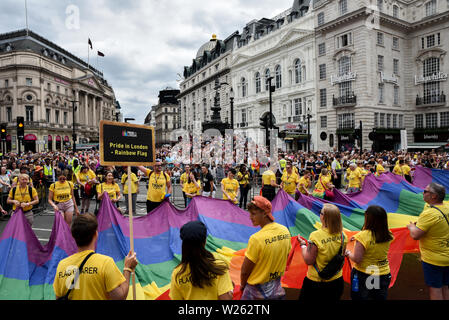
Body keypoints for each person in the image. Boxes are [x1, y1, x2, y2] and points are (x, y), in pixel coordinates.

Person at [53, 214, 138, 300]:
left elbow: (58, 297)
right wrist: (127, 269)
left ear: (73, 236)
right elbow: (119, 296)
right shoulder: (105, 263)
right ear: (96, 234)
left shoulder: (62, 265)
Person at [240, 196, 291, 300]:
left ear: (264, 213)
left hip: (255, 292)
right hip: (276, 288)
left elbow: (245, 271)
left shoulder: (256, 239)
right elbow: (286, 256)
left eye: (253, 214)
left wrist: (242, 285)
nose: (250, 217)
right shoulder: (285, 230)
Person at [169, 221, 233, 300]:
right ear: (204, 241)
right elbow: (225, 299)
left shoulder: (178, 273)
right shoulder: (219, 267)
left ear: (184, 243)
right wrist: (230, 289)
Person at [407, 183, 449, 300]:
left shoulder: (429, 214)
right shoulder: (447, 208)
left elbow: (415, 235)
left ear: (434, 196)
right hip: (446, 256)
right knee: (445, 287)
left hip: (434, 259)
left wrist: (411, 227)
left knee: (435, 288)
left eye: (426, 191)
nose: (423, 193)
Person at [298, 203, 347, 301]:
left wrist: (303, 245)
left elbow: (309, 260)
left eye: (321, 212)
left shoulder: (315, 236)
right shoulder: (343, 235)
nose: (319, 214)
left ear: (324, 217)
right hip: (337, 281)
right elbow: (342, 256)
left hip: (317, 282)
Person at [345, 205, 394, 300]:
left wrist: (348, 253)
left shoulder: (363, 237)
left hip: (364, 274)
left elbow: (357, 259)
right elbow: (373, 239)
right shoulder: (388, 234)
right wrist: (358, 236)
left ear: (369, 219)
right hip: (382, 274)